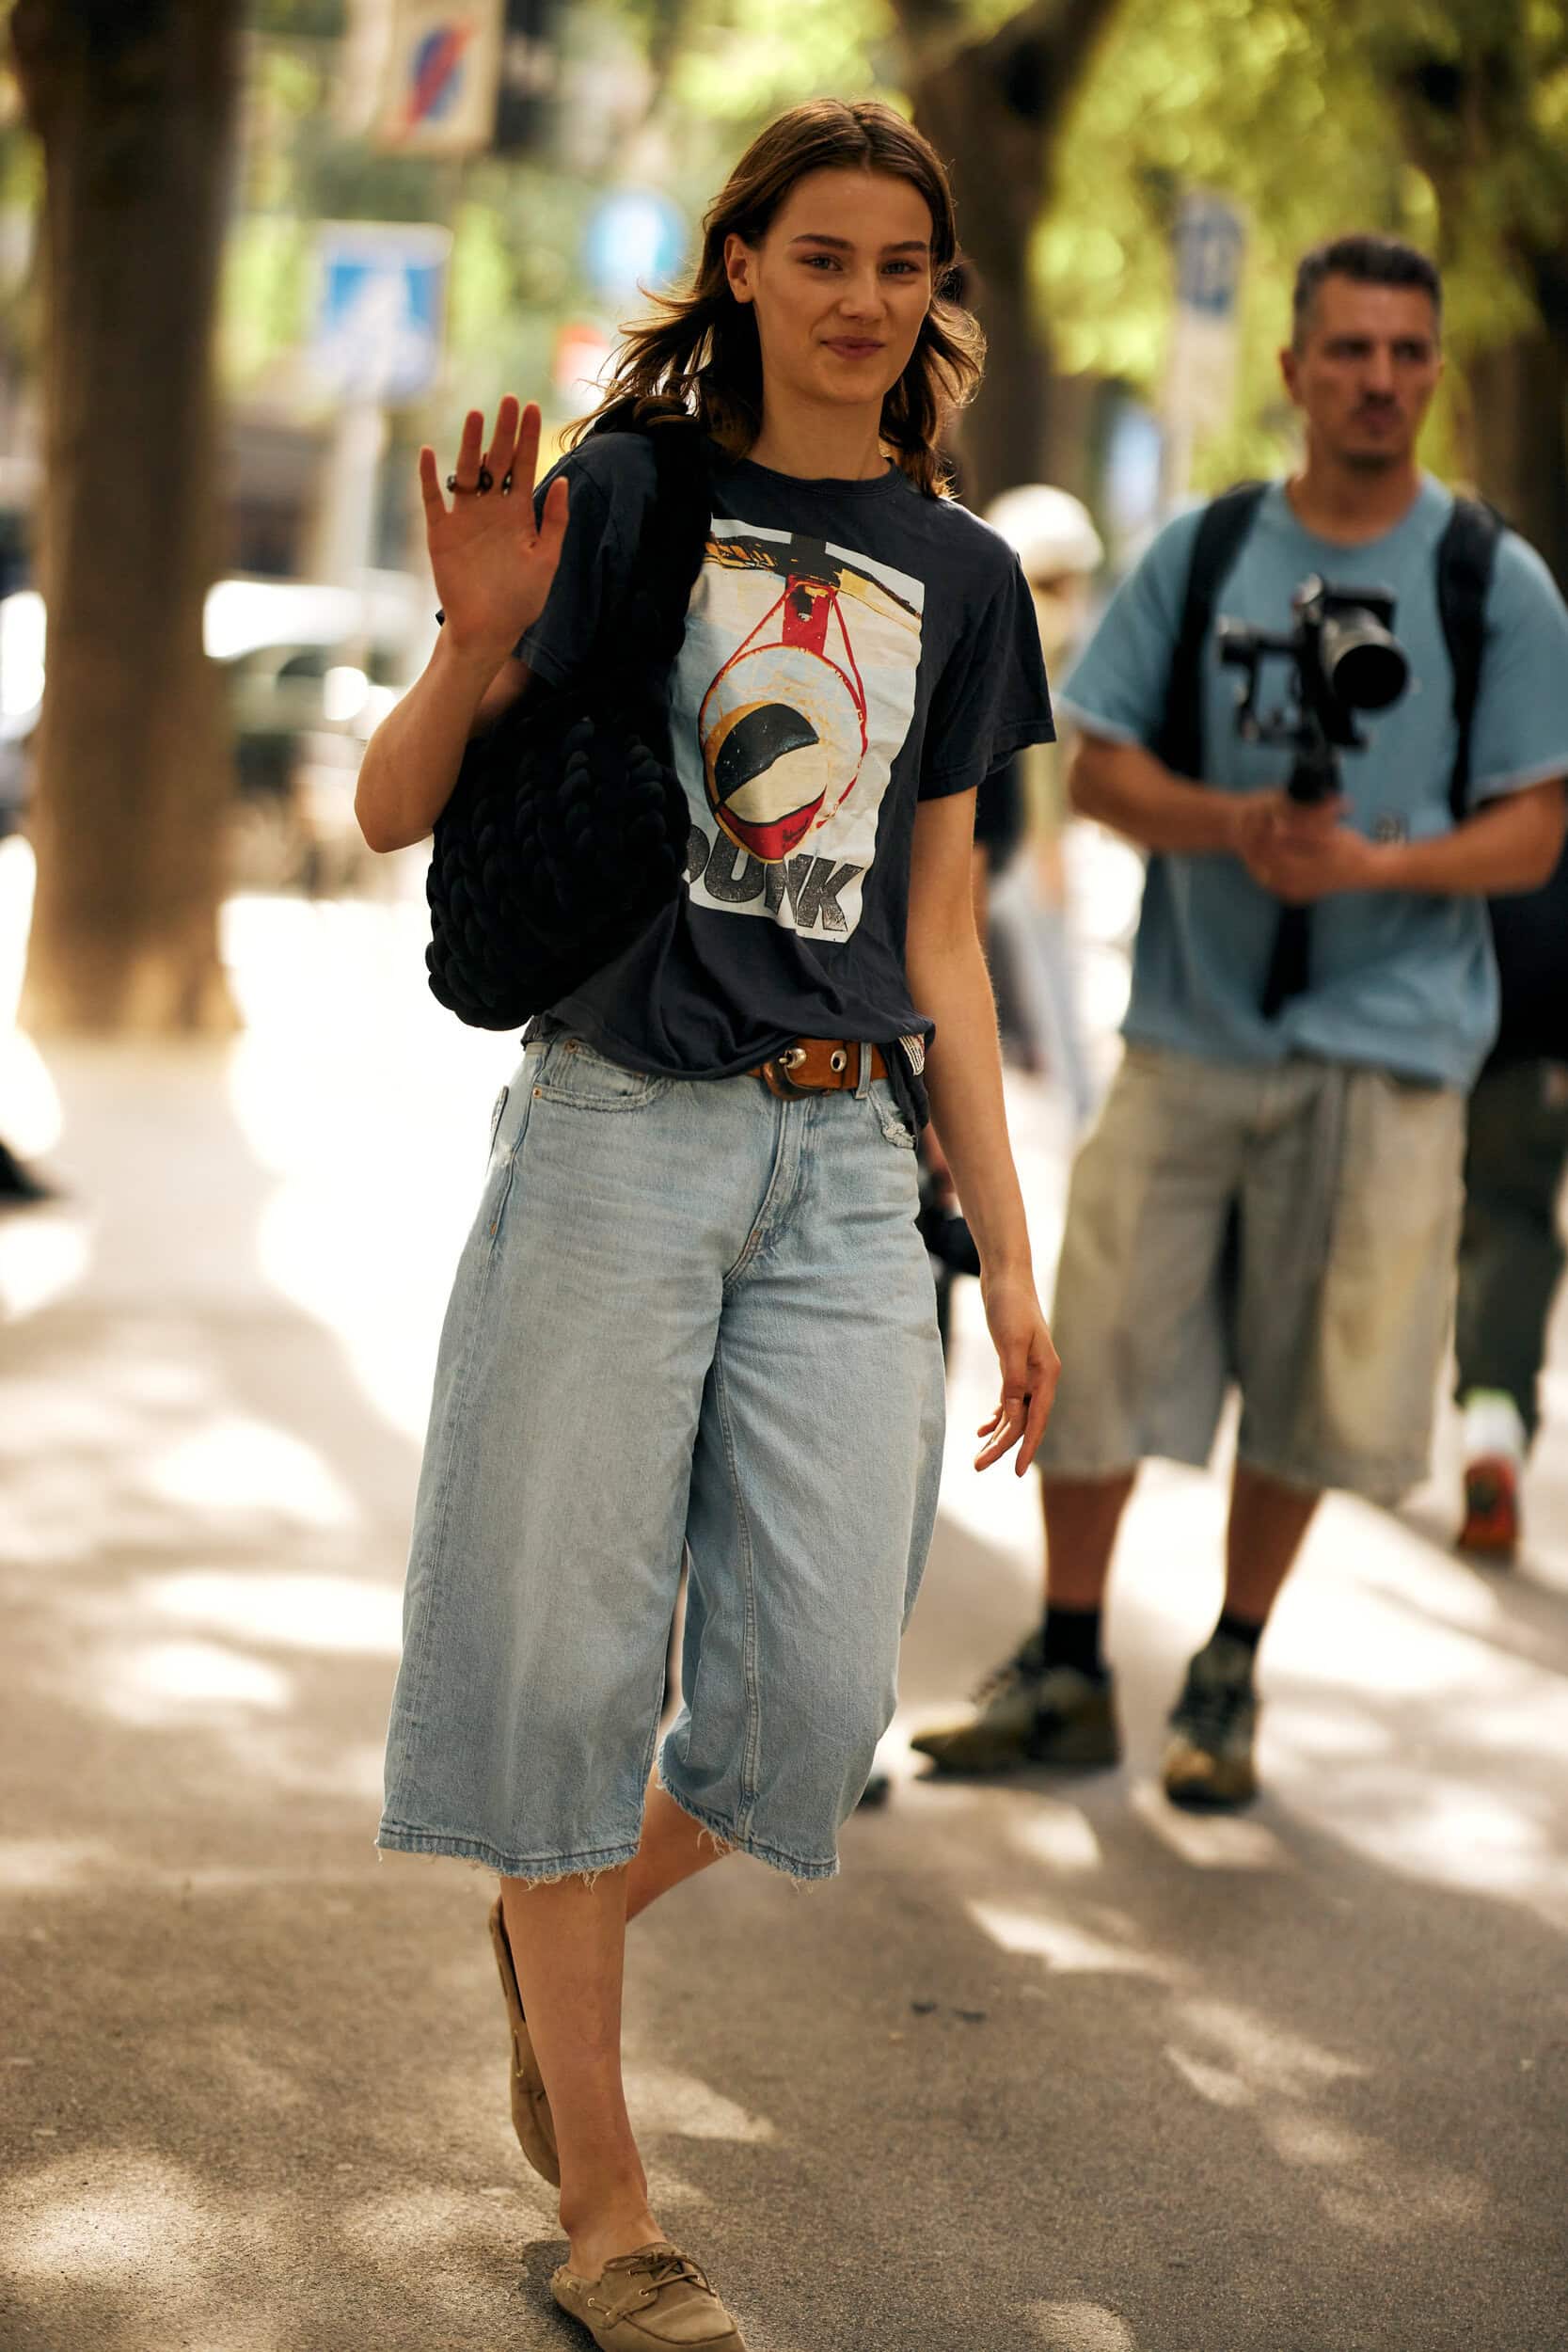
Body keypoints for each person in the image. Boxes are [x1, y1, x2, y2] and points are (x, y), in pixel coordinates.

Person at [355, 100, 1058, 2352]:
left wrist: (1008, 1251)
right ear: (740, 264)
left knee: (811, 1699)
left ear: (934, 297)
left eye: (900, 265)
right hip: (616, 1138)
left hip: (849, 1167)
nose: (862, 298)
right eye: (819, 255)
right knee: (565, 1671)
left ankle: (543, 1913)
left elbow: (940, 939)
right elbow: (389, 809)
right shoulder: (635, 494)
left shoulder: (962, 577)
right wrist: (473, 638)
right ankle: (609, 2205)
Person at [911, 232, 1568, 1811]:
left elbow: (1535, 827)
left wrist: (1374, 864)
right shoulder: (1202, 554)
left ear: (1431, 370)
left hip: (1384, 1047)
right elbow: (1097, 763)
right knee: (1096, 1340)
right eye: (1347, 350)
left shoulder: (1491, 583)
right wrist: (1232, 827)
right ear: (1291, 369)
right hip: (1191, 1029)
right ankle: (1069, 1659)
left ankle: (1228, 1663)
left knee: (1307, 1378)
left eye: (1404, 353)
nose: (1377, 380)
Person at [1453, 839, 1568, 1560]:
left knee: (1488, 1222)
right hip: (1532, 1032)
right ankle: (1492, 1431)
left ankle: (1489, 1429)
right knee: (1508, 1223)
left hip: (1482, 1011)